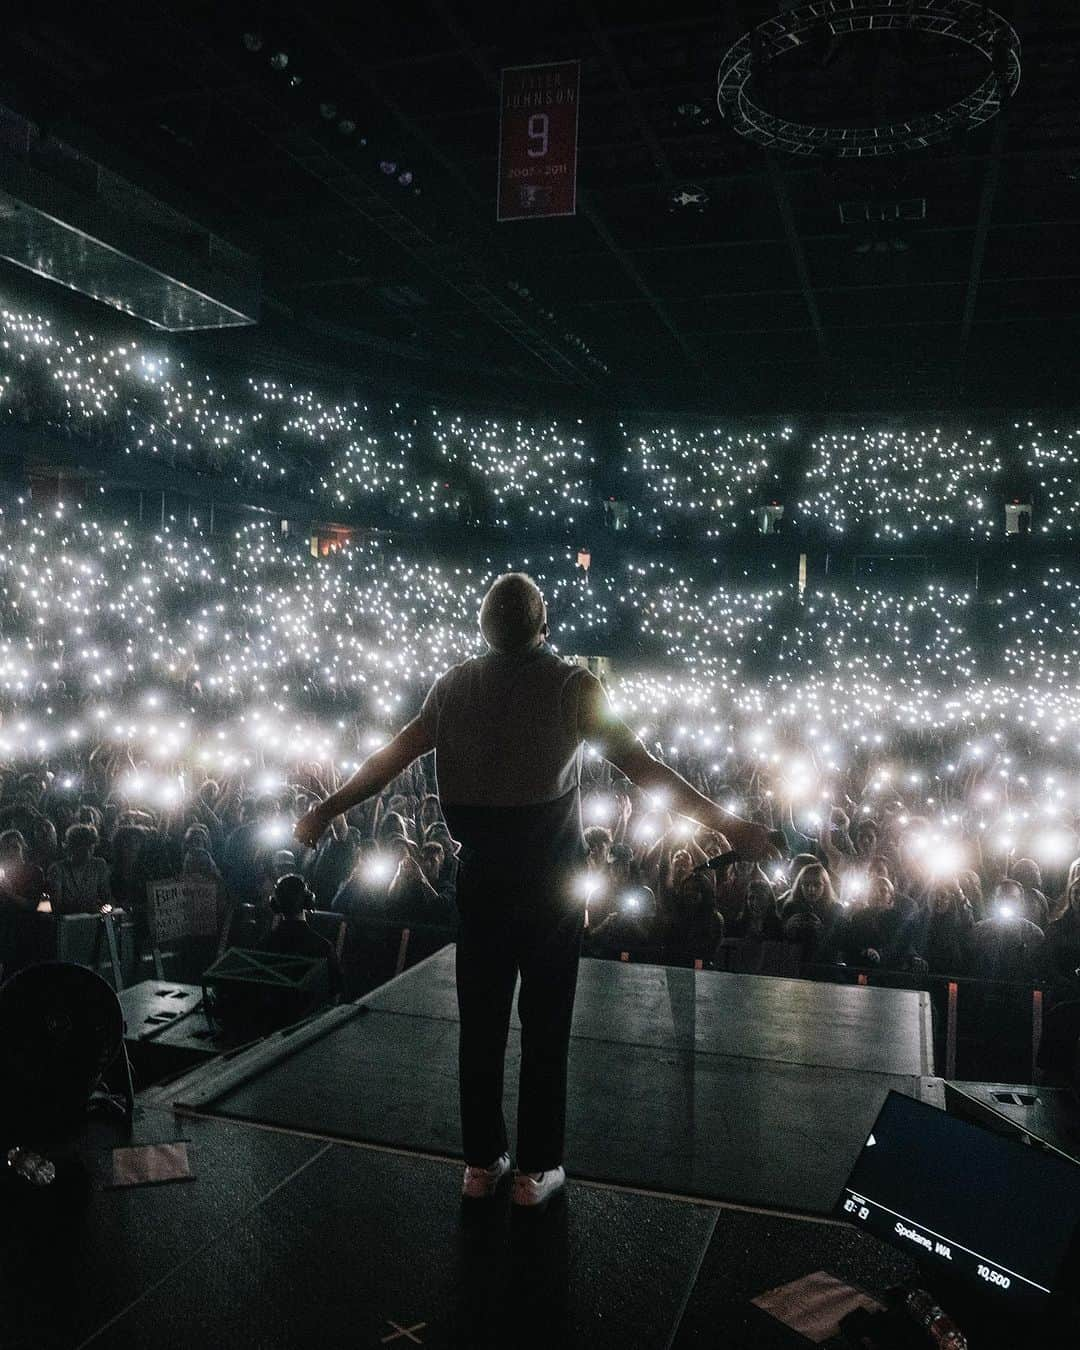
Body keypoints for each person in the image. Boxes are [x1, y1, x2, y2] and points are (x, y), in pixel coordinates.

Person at [295, 572, 770, 1213]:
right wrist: (730, 824)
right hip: (549, 884)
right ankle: (535, 1171)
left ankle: (481, 1161)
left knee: (481, 1025)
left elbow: (388, 761)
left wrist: (326, 809)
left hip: (481, 879)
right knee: (546, 1027)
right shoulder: (575, 686)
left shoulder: (452, 686)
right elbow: (647, 772)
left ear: (484, 627)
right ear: (544, 622)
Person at [261, 873, 342, 1003]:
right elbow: (335, 991)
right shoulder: (323, 947)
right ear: (308, 901)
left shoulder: (265, 944)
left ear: (275, 903)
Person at [45, 824, 111, 915]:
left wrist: (105, 911)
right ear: (71, 847)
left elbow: (107, 898)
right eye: (82, 847)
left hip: (94, 921)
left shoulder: (99, 865)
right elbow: (55, 905)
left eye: (90, 847)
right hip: (66, 923)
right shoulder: (57, 869)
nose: (87, 852)